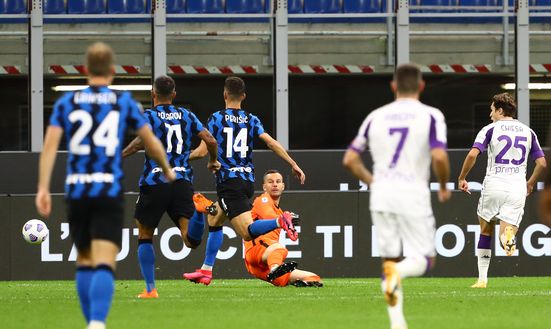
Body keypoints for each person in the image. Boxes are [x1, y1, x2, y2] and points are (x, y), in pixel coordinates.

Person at [35, 42, 175, 329]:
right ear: (112, 71)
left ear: (85, 70)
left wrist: (43, 187)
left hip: (77, 189)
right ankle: (97, 323)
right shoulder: (123, 102)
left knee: (84, 259)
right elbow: (151, 141)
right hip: (107, 189)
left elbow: (49, 147)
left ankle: (92, 323)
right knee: (103, 262)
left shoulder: (67, 102)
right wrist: (167, 169)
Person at [343, 63, 451, 329]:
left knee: (388, 259)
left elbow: (350, 159)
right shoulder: (430, 115)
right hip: (412, 193)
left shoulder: (375, 116)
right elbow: (438, 155)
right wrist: (444, 184)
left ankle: (397, 324)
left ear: (393, 86)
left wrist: (372, 181)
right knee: (425, 260)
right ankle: (399, 275)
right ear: (422, 86)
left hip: (381, 195)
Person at [182, 76, 306, 285]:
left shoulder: (216, 118)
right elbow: (270, 142)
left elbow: (203, 151)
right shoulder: (251, 119)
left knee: (247, 233)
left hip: (230, 183)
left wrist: (179, 158)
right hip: (246, 181)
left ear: (224, 94)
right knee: (214, 220)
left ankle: (280, 220)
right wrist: (292, 163)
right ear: (244, 96)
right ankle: (206, 271)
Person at [121, 75, 220, 298]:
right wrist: (212, 160)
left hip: (154, 181)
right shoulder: (187, 115)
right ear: (174, 94)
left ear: (152, 94)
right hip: (182, 181)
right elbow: (211, 141)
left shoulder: (149, 116)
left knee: (145, 235)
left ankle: (150, 289)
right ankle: (197, 212)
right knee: (190, 240)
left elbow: (140, 142)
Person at [458, 93, 546, 289]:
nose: (490, 115)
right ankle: (508, 235)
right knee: (507, 231)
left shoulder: (489, 129)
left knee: (485, 228)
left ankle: (482, 279)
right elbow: (541, 163)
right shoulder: (528, 132)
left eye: (492, 110)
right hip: (516, 187)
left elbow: (473, 154)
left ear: (499, 110)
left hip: (494, 185)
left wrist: (462, 177)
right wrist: (530, 182)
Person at [244, 170, 322, 287]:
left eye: (278, 181)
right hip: (257, 250)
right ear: (264, 187)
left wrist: (286, 221)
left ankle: (295, 281)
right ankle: (276, 268)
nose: (275, 184)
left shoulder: (279, 211)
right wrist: (284, 220)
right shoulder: (262, 200)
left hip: (264, 264)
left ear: (283, 186)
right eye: (270, 182)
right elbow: (268, 215)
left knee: (314, 278)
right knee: (280, 249)